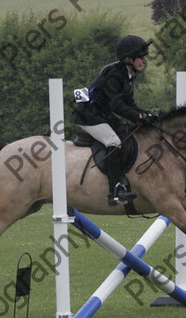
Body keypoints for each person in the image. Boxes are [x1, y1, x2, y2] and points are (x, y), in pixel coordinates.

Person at [72, 35, 158, 206]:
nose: (144, 61)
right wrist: (140, 116)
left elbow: (129, 103)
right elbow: (117, 105)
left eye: (144, 57)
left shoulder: (129, 74)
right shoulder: (114, 74)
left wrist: (146, 114)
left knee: (128, 134)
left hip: (103, 114)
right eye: (140, 57)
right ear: (128, 58)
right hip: (89, 114)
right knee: (113, 141)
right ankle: (115, 190)